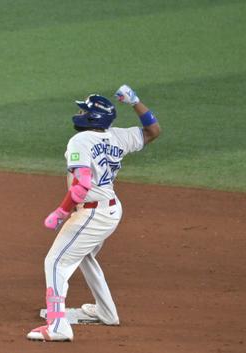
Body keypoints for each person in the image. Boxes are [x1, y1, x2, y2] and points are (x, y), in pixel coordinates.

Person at [27, 85, 161, 341]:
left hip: (90, 215)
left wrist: (60, 211)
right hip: (111, 210)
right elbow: (154, 130)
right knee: (83, 254)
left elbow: (82, 186)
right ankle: (106, 311)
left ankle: (58, 326)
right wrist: (135, 102)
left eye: (83, 109)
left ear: (92, 117)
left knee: (55, 262)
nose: (79, 112)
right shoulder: (118, 137)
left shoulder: (80, 140)